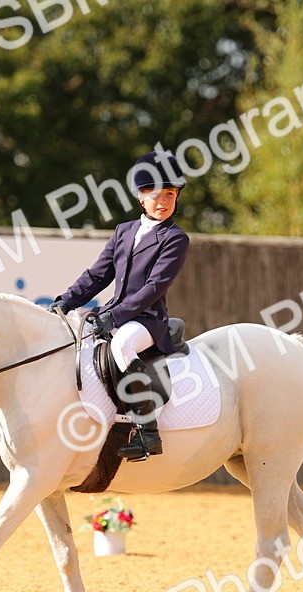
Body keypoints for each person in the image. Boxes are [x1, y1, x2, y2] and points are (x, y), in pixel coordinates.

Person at [50, 150, 191, 461]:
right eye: (155, 194)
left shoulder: (176, 238)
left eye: (170, 194)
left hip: (148, 320)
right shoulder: (124, 231)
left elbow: (154, 287)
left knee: (123, 345)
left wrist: (114, 317)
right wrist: (66, 300)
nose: (163, 201)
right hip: (115, 314)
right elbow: (98, 274)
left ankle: (148, 430)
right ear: (141, 196)